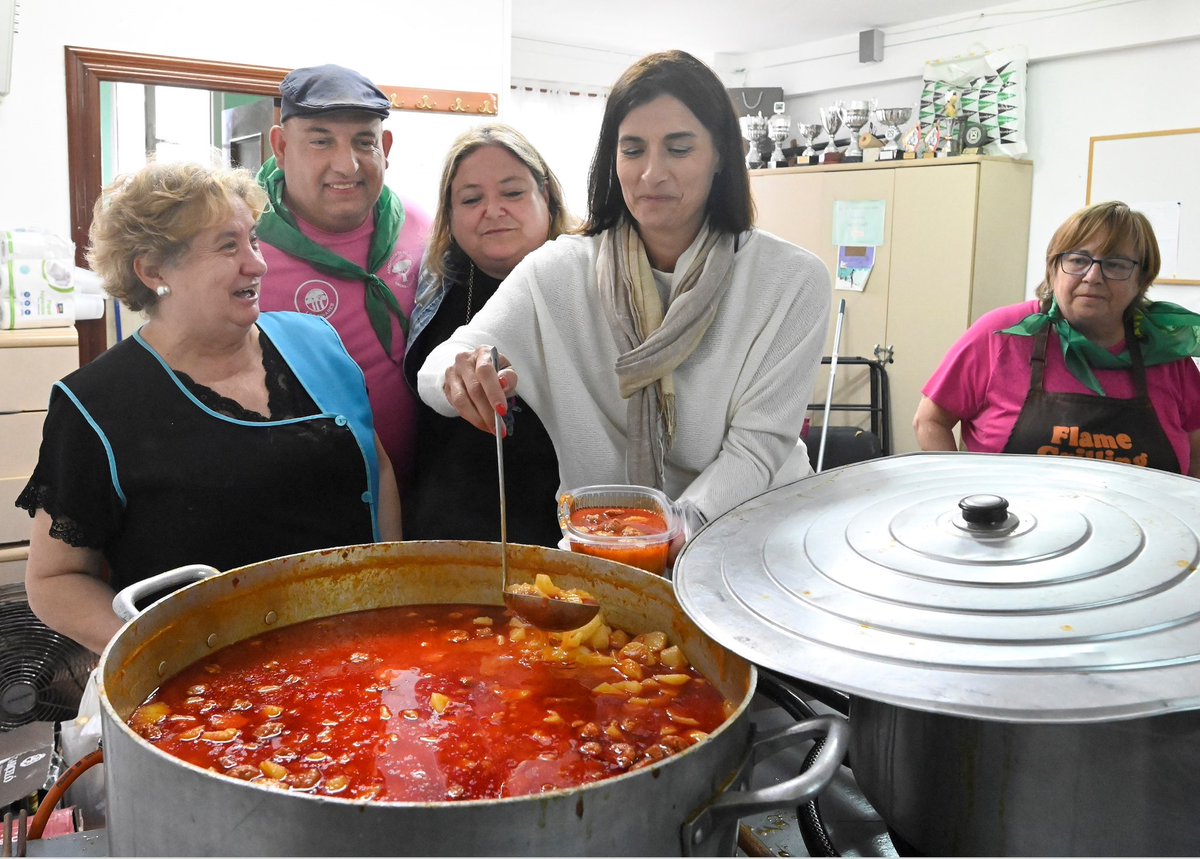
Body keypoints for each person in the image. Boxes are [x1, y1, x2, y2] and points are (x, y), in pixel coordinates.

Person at [416, 50, 831, 539]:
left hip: (750, 535)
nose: (652, 173)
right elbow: (440, 365)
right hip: (609, 538)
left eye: (679, 149)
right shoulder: (558, 273)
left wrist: (661, 533)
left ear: (720, 154)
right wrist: (461, 374)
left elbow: (757, 450)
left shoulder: (790, 280)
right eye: (632, 150)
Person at [15, 161, 401, 654]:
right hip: (211, 681)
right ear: (154, 270)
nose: (257, 264)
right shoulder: (96, 404)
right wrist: (160, 654)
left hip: (359, 649)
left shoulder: (317, 341)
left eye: (253, 240)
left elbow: (376, 467)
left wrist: (394, 598)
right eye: (227, 246)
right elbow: (55, 579)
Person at [914, 200, 1200, 476]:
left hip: (1143, 512)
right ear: (1053, 269)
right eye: (1078, 260)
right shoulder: (1003, 333)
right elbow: (930, 421)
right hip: (1015, 512)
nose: (1093, 276)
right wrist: (961, 490)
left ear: (1142, 279)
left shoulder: (1166, 351)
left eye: (1115, 264)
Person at [256, 64, 430, 491]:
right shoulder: (243, 247)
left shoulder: (421, 227)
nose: (346, 165)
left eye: (364, 142)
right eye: (321, 141)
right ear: (281, 147)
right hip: (301, 496)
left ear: (385, 147)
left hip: (424, 486)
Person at [403, 124, 572, 546]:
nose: (493, 210)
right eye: (471, 199)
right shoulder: (433, 286)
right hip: (445, 536)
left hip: (564, 536)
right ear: (450, 214)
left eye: (512, 193)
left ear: (546, 196)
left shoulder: (588, 281)